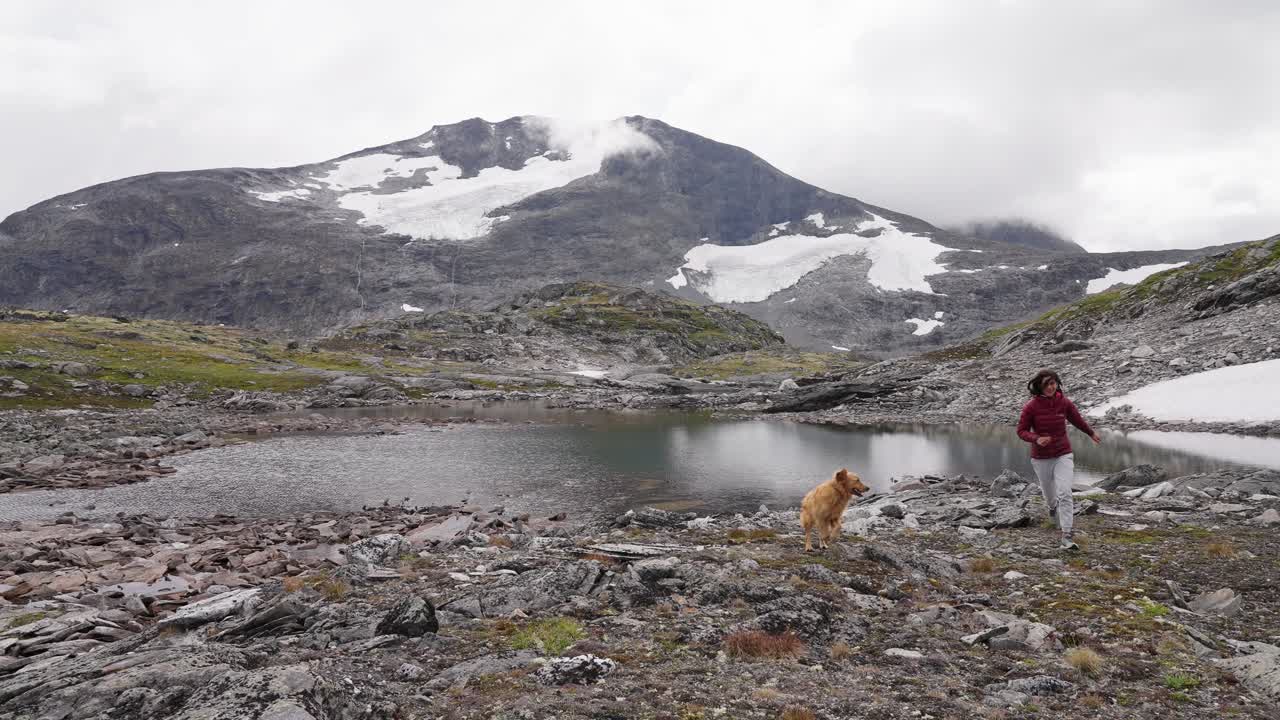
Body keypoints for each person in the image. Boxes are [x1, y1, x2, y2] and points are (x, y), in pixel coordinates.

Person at [1016, 369, 1101, 550]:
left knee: (1065, 492)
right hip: (1041, 458)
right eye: (1046, 384)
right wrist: (1036, 439)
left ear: (1057, 383)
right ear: (1039, 386)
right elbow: (1021, 431)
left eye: (1053, 383)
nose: (1050, 387)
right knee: (1049, 494)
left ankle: (1067, 536)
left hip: (1063, 453)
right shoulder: (1031, 407)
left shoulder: (1064, 402)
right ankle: (1052, 508)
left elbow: (1077, 420)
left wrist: (1091, 433)